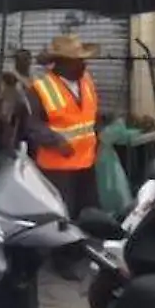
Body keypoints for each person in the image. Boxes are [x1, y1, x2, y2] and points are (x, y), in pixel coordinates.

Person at [24, 37, 104, 275]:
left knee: (85, 210)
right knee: (62, 215)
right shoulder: (40, 88)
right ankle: (62, 260)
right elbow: (33, 125)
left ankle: (79, 251)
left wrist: (98, 135)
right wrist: (56, 141)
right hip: (57, 165)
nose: (84, 66)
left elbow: (91, 116)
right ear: (61, 63)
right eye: (78, 61)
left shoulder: (86, 82)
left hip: (86, 160)